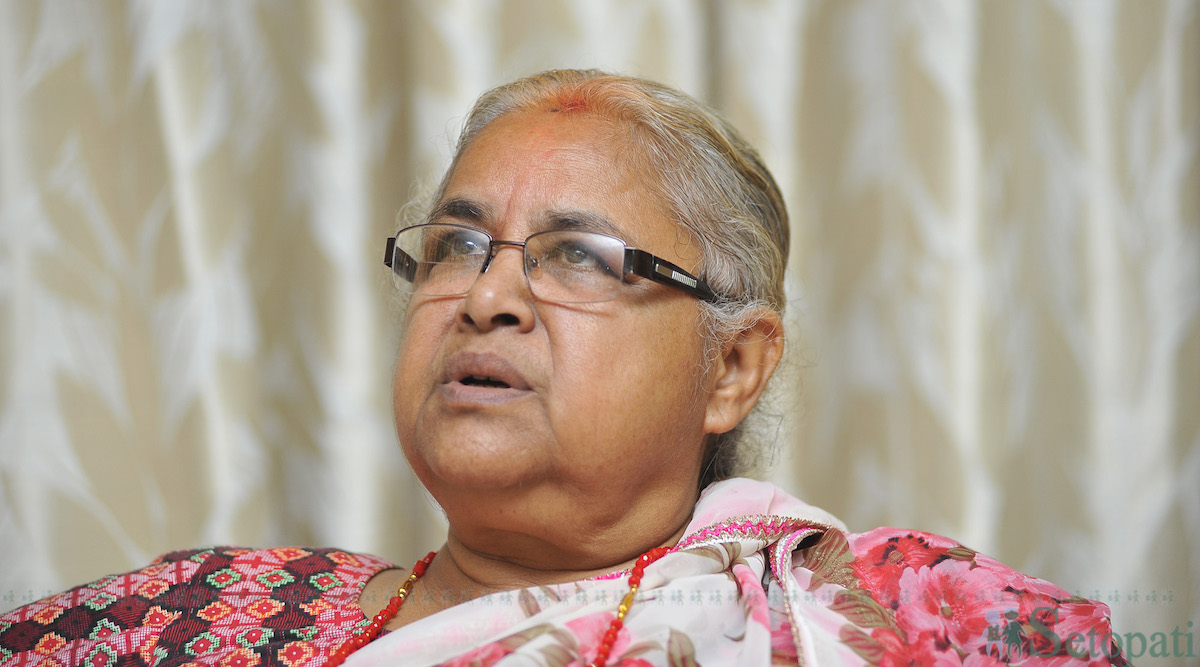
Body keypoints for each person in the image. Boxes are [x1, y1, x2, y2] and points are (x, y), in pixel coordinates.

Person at [0, 69, 1124, 667]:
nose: (485, 296)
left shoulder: (931, 624)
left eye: (578, 255)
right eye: (457, 244)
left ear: (732, 367)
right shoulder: (183, 620)